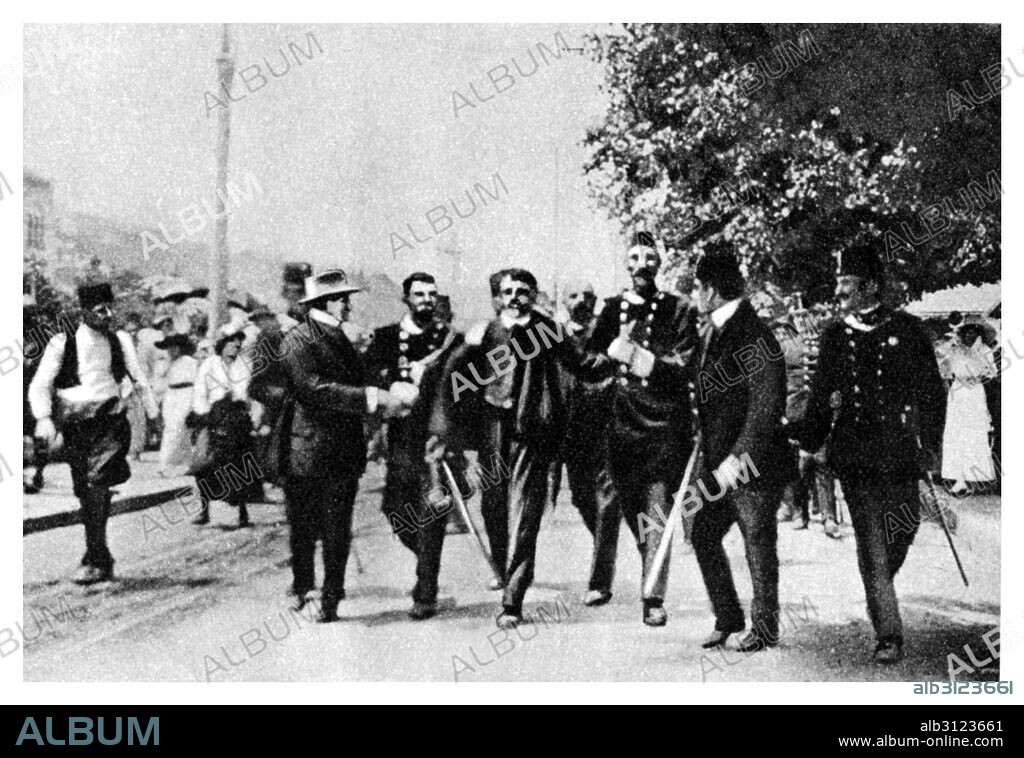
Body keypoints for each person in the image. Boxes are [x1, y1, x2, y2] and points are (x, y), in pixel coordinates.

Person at [428, 268, 611, 628]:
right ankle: (503, 566)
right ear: (499, 297)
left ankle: (513, 600)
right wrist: (468, 346)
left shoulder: (546, 330)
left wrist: (616, 357)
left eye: (523, 291)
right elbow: (452, 374)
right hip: (493, 429)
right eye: (508, 291)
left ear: (534, 294)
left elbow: (583, 364)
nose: (514, 297)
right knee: (494, 506)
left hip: (533, 432)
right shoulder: (488, 331)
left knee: (526, 513)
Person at [799, 243, 946, 663]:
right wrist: (807, 444)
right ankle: (888, 633)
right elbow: (821, 396)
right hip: (855, 458)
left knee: (903, 530)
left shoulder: (910, 330)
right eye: (838, 283)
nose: (838, 291)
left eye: (845, 283)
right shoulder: (834, 335)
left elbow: (933, 395)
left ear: (870, 286)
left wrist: (932, 449)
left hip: (901, 455)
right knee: (872, 544)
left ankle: (878, 584)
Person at [278, 269, 416, 622]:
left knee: (338, 527)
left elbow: (360, 378)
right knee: (305, 526)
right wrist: (373, 397)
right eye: (343, 299)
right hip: (307, 450)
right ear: (326, 302)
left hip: (341, 449)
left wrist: (387, 392)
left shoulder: (339, 337)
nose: (349, 305)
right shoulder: (297, 339)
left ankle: (331, 596)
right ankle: (304, 586)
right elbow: (315, 389)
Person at [585, 233, 700, 626]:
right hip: (618, 419)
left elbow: (685, 364)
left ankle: (653, 596)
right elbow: (591, 356)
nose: (641, 265)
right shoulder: (611, 307)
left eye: (649, 258)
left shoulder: (679, 308)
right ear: (625, 263)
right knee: (611, 501)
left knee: (656, 506)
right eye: (633, 257)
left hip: (662, 421)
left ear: (659, 264)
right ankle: (600, 580)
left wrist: (636, 356)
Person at [688, 248, 792, 652]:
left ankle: (764, 628)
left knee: (757, 543)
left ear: (712, 290)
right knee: (702, 532)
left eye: (699, 287)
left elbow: (765, 406)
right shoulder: (711, 330)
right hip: (716, 460)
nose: (696, 294)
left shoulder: (754, 334)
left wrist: (738, 458)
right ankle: (728, 616)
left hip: (753, 464)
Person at [29, 282, 156, 584]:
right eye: (101, 310)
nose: (108, 315)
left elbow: (138, 378)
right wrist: (44, 418)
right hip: (75, 424)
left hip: (109, 421)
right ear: (84, 311)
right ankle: (98, 552)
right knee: (84, 490)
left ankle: (96, 558)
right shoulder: (63, 342)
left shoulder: (120, 340)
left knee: (98, 483)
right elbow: (41, 383)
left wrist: (152, 413)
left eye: (111, 308)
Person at [364, 272, 459, 619]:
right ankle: (426, 560)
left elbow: (466, 378)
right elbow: (371, 372)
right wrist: (394, 384)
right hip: (402, 435)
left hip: (437, 435)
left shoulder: (448, 339)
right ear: (405, 299)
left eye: (431, 294)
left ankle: (426, 590)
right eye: (418, 294)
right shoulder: (387, 337)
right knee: (395, 509)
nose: (426, 300)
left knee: (433, 512)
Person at [558, 279, 620, 606]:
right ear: (563, 301)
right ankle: (604, 544)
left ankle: (600, 581)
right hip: (572, 431)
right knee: (583, 499)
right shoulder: (553, 335)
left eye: (588, 296)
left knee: (609, 502)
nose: (581, 300)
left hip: (608, 425)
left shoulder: (607, 331)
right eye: (573, 295)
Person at [188, 325, 256, 528]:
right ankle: (204, 510)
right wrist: (204, 412)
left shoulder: (245, 364)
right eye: (231, 342)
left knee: (240, 462)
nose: (235, 346)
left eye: (238, 343)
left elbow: (248, 392)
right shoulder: (210, 364)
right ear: (221, 345)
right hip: (214, 416)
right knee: (205, 463)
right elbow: (200, 390)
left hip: (237, 417)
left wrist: (238, 398)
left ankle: (243, 511)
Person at [939, 322, 996, 493]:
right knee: (957, 432)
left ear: (979, 334)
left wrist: (977, 359)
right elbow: (942, 362)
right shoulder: (955, 349)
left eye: (973, 332)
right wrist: (951, 344)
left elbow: (991, 372)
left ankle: (975, 477)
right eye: (966, 332)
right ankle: (959, 478)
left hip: (974, 392)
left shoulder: (984, 349)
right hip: (958, 392)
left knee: (974, 431)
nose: (969, 336)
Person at [156, 334, 198, 476]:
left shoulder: (190, 361)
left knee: (177, 428)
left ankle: (164, 464)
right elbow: (160, 374)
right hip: (171, 394)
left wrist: (194, 403)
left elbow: (196, 382)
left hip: (186, 393)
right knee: (174, 429)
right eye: (169, 348)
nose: (171, 350)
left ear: (181, 347)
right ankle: (188, 463)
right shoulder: (167, 362)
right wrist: (166, 361)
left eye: (174, 347)